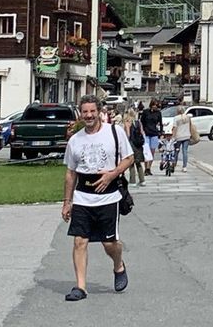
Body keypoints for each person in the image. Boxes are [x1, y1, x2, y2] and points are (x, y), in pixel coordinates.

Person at [61, 95, 133, 302]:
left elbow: (129, 158)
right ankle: (80, 287)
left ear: (99, 112)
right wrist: (67, 202)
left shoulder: (115, 132)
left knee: (109, 244)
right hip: (83, 197)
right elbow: (70, 173)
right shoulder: (75, 140)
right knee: (79, 241)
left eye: (92, 111)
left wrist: (112, 174)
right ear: (80, 113)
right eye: (85, 112)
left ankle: (118, 265)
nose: (89, 115)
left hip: (108, 196)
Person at [139, 100, 163, 176]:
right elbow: (141, 122)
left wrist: (161, 132)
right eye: (154, 105)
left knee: (152, 151)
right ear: (151, 105)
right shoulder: (146, 112)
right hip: (146, 133)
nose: (156, 107)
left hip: (154, 133)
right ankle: (146, 168)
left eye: (157, 106)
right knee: (146, 151)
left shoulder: (158, 113)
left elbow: (160, 123)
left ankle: (149, 168)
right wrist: (142, 131)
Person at [123, 109, 146, 186]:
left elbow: (128, 134)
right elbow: (142, 132)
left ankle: (132, 181)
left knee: (131, 163)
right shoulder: (138, 122)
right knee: (138, 162)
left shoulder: (127, 122)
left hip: (131, 144)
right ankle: (142, 180)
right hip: (138, 144)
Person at [171, 106, 193, 172]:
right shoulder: (188, 117)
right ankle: (184, 167)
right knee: (185, 151)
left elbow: (175, 128)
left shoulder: (176, 118)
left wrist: (173, 137)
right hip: (187, 136)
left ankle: (174, 164)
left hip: (179, 136)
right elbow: (190, 126)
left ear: (177, 111)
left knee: (176, 151)